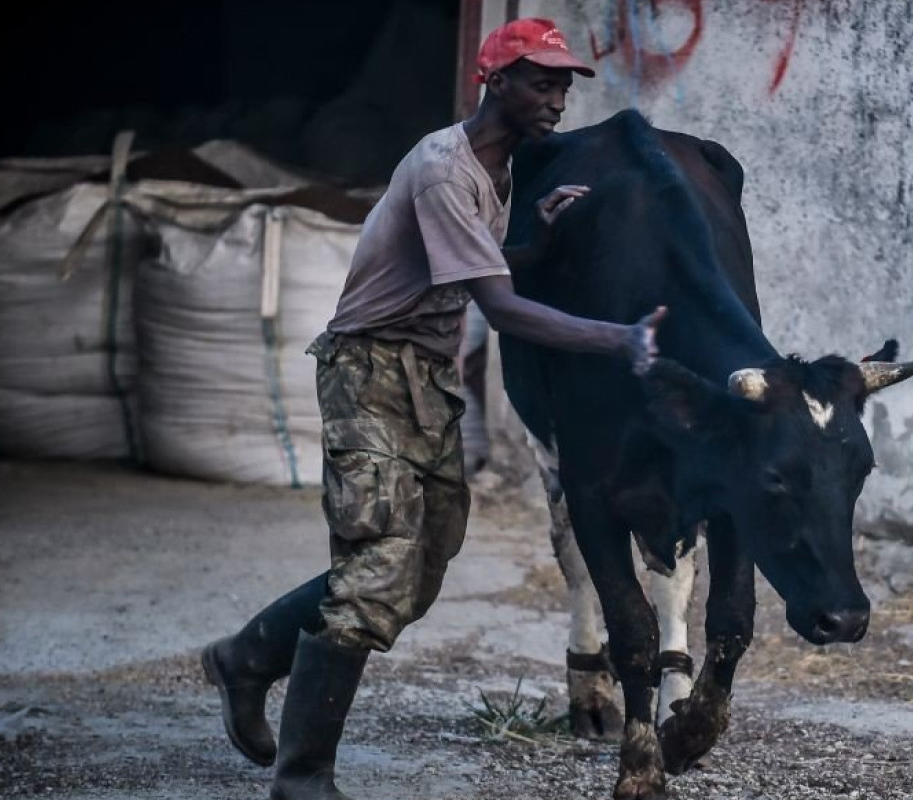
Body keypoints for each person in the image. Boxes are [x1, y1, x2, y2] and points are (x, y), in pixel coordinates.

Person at [199, 19, 658, 800]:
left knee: (421, 563)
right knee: (379, 563)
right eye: (541, 81)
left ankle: (246, 658)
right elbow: (504, 311)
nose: (557, 98)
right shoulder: (446, 166)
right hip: (368, 370)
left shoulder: (500, 169)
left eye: (564, 84)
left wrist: (535, 246)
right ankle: (302, 776)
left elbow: (470, 271)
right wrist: (620, 339)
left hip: (425, 376)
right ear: (495, 80)